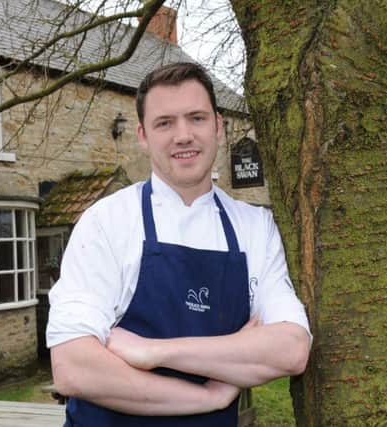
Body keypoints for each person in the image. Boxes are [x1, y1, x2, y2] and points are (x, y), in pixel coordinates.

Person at [47, 62, 311, 426]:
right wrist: (207, 396)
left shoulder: (255, 227)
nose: (183, 135)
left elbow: (290, 349)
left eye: (197, 118)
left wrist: (151, 352)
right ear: (143, 135)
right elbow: (74, 368)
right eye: (165, 123)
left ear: (219, 126)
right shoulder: (106, 222)